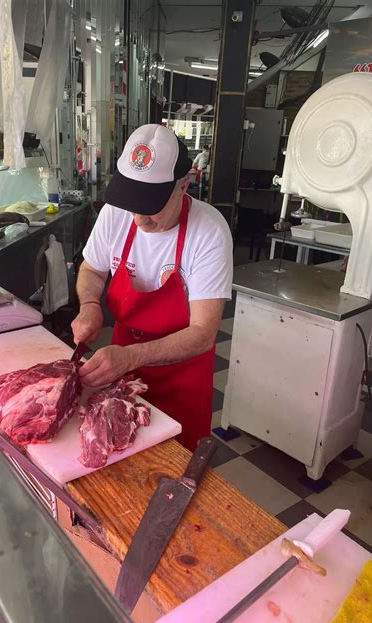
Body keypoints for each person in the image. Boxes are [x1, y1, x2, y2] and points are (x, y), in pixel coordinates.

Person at [72, 124, 233, 451]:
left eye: (151, 207)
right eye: (133, 205)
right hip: (122, 365)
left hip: (182, 376)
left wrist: (130, 358)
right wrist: (89, 305)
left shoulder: (209, 232)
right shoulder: (115, 214)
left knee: (176, 470)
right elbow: (91, 269)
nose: (139, 220)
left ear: (184, 185)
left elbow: (203, 332)